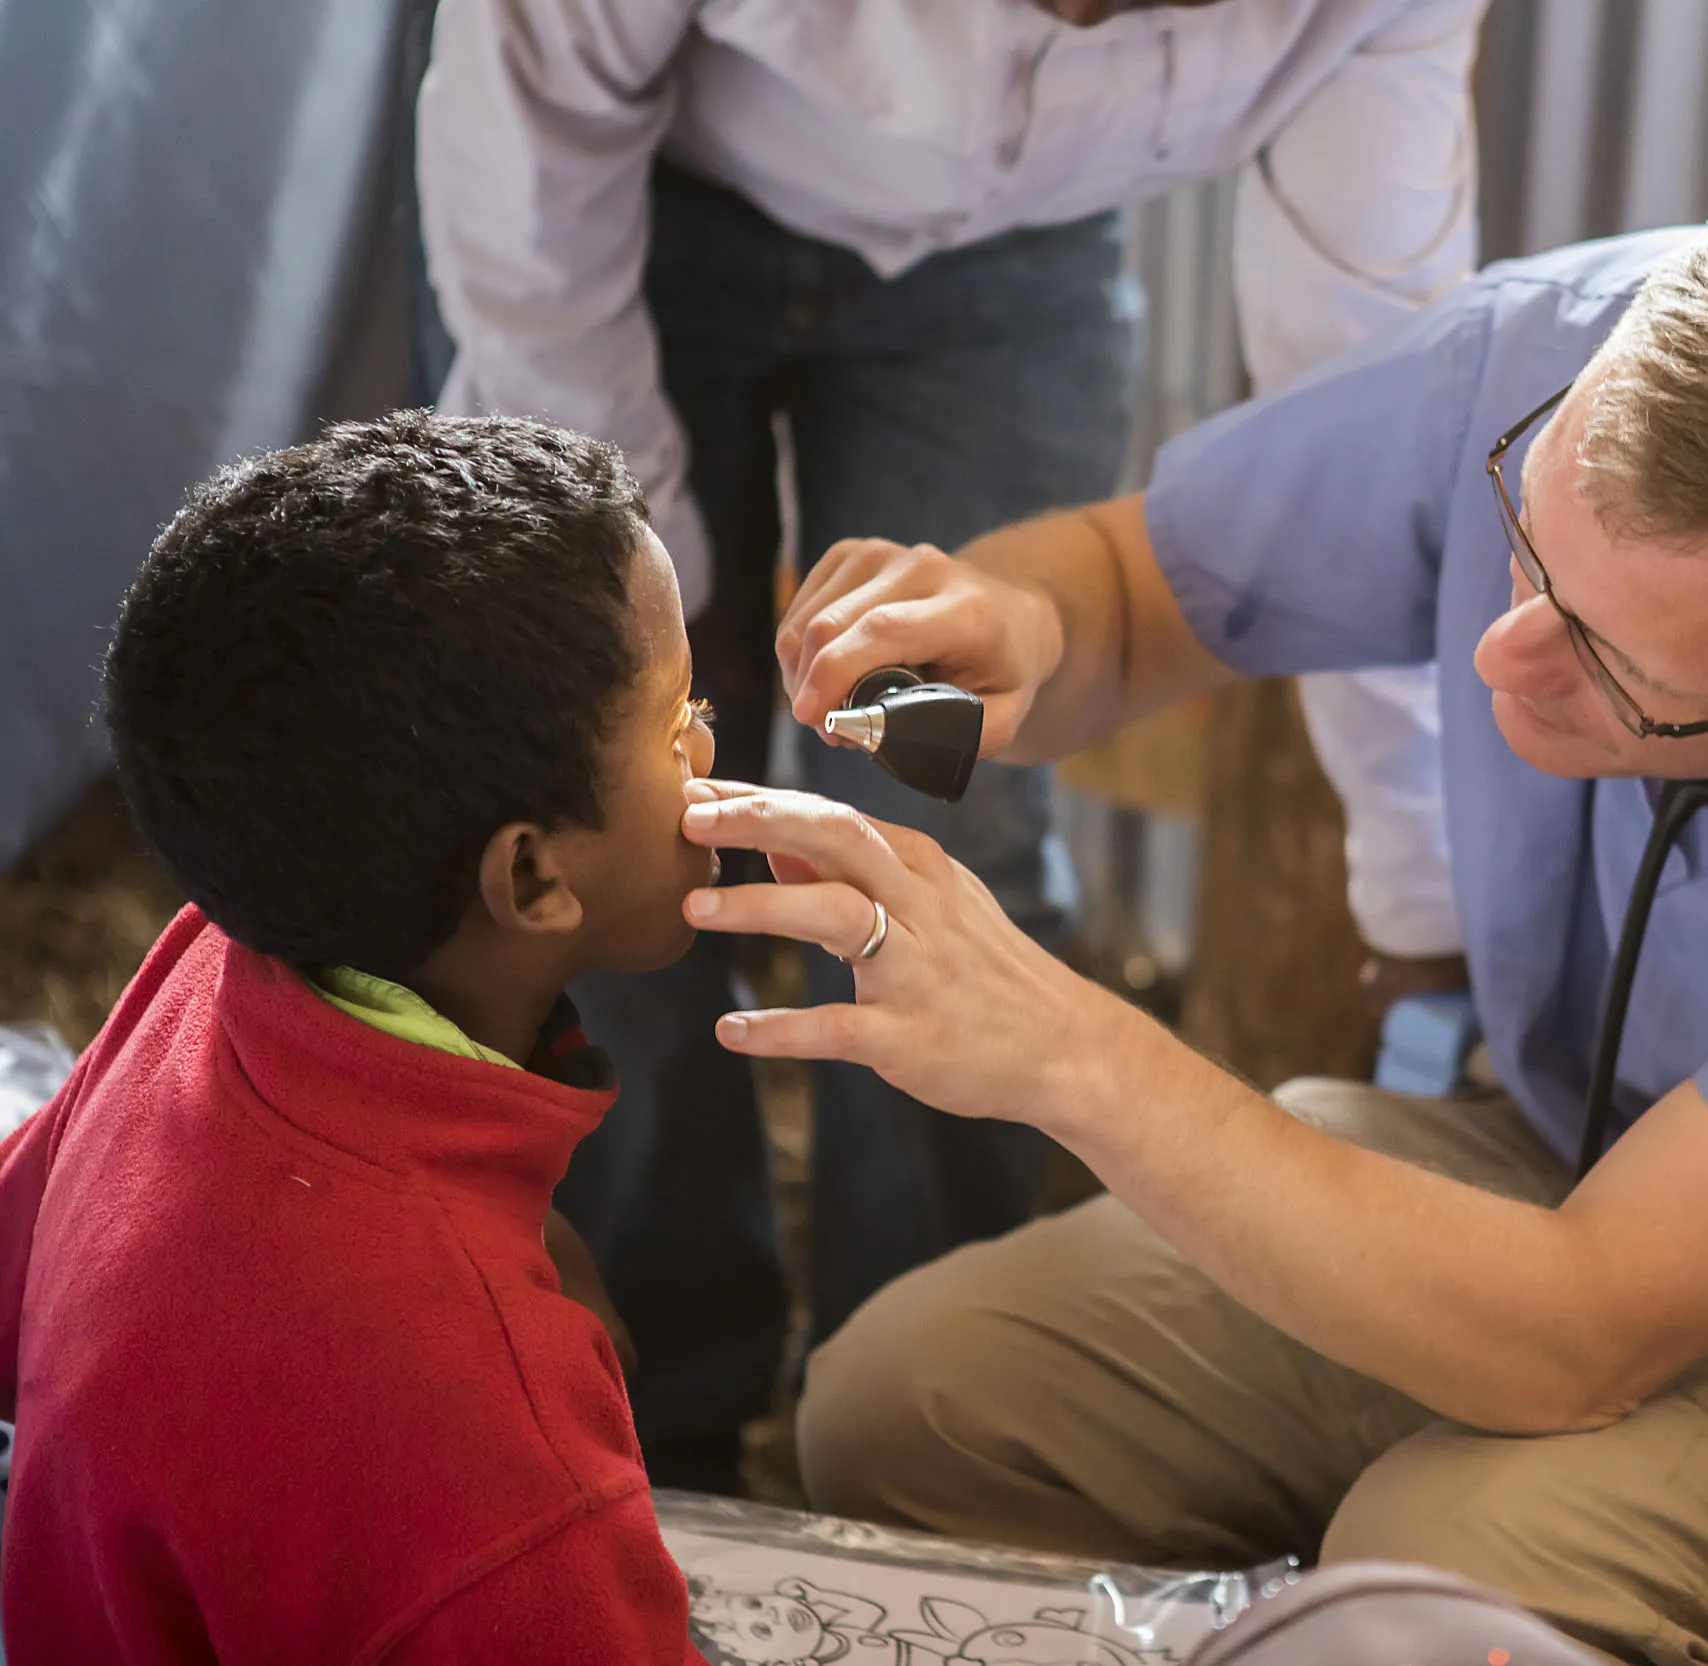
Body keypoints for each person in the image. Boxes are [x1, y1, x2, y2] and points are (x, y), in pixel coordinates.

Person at [676, 164, 1708, 1665]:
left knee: (1445, 1572)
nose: (1495, 661)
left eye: (1618, 663)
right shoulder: (1568, 344)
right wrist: (1018, 615)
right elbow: (1132, 589)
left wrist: (1066, 1052)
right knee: (914, 1405)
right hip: (1582, 1151)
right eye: (1526, 540)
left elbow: (1575, 1333)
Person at [413, 0, 1485, 1491]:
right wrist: (649, 587)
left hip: (1007, 272)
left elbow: (1368, 462)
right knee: (609, 800)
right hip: (628, 190)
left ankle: (916, 1423)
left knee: (946, 804)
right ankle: (656, 1426)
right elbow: (528, 115)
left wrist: (1429, 895)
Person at [0, 414, 719, 1662]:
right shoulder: (509, 1477)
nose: (709, 749)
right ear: (535, 876)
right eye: (674, 726)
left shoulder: (219, 961)